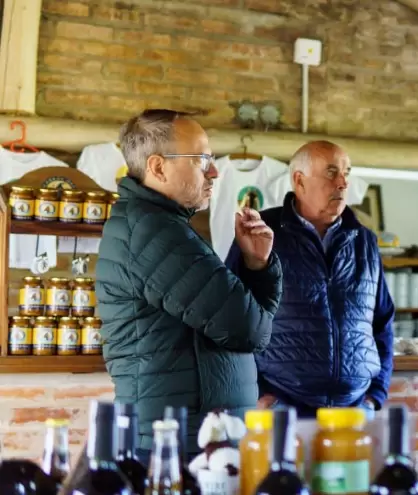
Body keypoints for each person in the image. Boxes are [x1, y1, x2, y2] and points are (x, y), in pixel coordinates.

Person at [96, 109, 284, 459]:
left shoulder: (162, 226)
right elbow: (251, 331)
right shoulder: (156, 234)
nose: (213, 171)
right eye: (200, 160)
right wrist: (257, 273)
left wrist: (257, 265)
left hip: (189, 432)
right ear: (157, 167)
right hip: (179, 441)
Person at [225, 140, 395, 418]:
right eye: (331, 172)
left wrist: (375, 395)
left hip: (355, 411)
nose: (342, 183)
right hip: (281, 408)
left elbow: (382, 322)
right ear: (299, 181)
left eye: (346, 173)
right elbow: (229, 319)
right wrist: (257, 393)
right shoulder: (261, 233)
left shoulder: (365, 241)